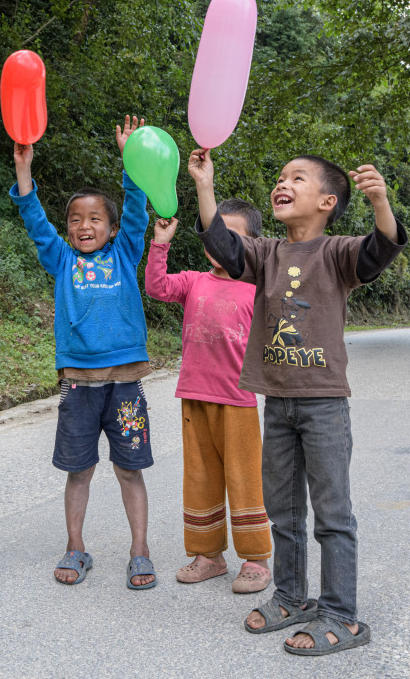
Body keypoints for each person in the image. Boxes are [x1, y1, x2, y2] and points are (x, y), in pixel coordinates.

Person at [189, 148, 407, 656]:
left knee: (332, 514)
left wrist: (380, 202)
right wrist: (205, 186)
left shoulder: (338, 253)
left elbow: (380, 251)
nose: (282, 183)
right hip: (278, 403)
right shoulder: (265, 253)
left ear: (328, 201)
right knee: (283, 512)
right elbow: (223, 246)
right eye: (281, 176)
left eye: (298, 178)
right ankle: (291, 596)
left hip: (325, 403)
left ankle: (341, 614)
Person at [11, 115, 157, 590]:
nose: (84, 225)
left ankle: (140, 551)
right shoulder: (63, 260)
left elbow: (137, 208)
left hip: (125, 385)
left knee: (129, 470)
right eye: (76, 219)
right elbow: (35, 221)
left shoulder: (126, 251)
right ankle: (76, 547)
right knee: (79, 471)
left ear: (112, 229)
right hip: (79, 385)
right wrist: (24, 174)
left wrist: (130, 161)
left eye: (95, 219)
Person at [143, 201, 273, 594]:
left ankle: (255, 559)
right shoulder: (195, 281)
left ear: (252, 245)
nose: (220, 244)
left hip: (238, 401)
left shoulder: (257, 290)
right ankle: (209, 556)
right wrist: (160, 244)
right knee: (200, 478)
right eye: (214, 233)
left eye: (232, 237)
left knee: (245, 479)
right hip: (194, 398)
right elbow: (157, 287)